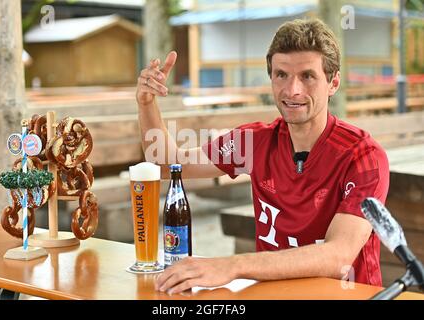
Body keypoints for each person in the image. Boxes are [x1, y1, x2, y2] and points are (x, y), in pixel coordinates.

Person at [136, 18, 389, 295]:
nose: (293, 90)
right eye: (281, 75)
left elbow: (337, 256)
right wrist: (147, 104)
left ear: (333, 82)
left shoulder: (363, 156)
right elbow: (167, 163)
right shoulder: (254, 142)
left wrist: (232, 266)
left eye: (307, 76)